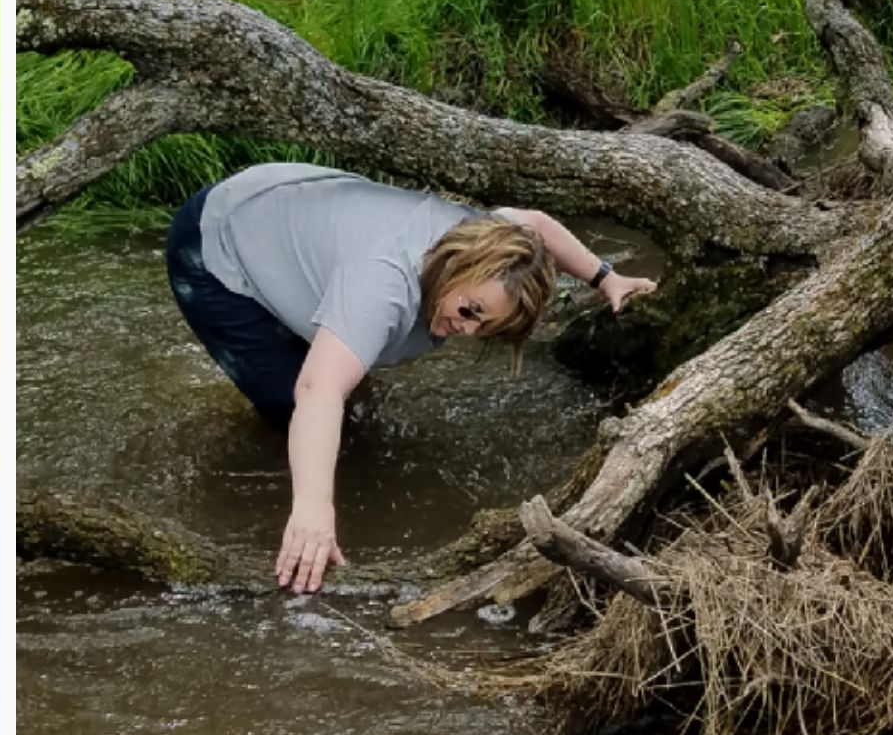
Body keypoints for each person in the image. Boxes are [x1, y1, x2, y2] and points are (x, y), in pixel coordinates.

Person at [163, 161, 658, 594]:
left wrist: (605, 277)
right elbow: (317, 390)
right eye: (470, 311)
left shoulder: (493, 239)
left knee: (347, 379)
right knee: (290, 403)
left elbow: (535, 224)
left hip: (298, 204)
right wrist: (314, 507)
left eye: (486, 328)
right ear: (456, 264)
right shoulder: (382, 285)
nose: (465, 331)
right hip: (219, 240)